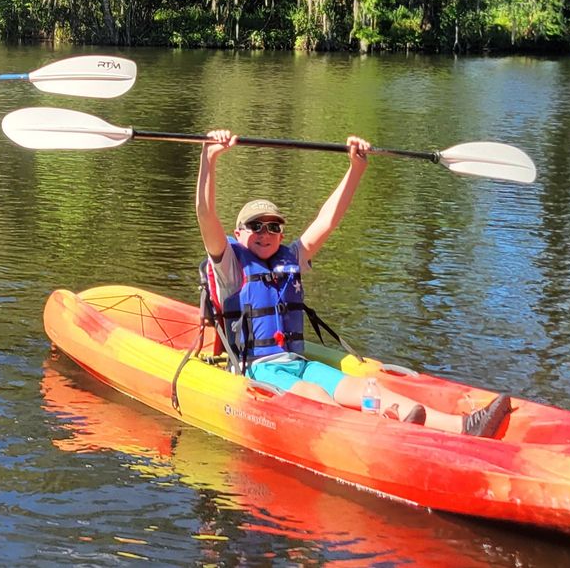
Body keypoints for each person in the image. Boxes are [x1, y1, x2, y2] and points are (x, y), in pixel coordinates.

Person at [196, 130, 511, 438]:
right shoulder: (230, 263)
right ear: (239, 234)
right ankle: (381, 435)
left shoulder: (291, 257)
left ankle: (465, 426)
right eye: (256, 226)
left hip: (299, 364)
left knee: (366, 389)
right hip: (258, 370)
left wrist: (356, 168)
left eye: (274, 226)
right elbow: (205, 214)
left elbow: (327, 219)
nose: (265, 233)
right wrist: (208, 159)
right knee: (313, 394)